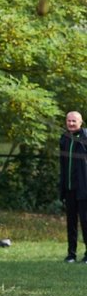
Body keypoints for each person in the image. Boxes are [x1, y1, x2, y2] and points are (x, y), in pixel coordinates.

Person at [59, 110, 87, 263]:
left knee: (85, 222)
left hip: (84, 189)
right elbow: (62, 165)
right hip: (69, 188)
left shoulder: (85, 137)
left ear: (80, 122)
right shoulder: (64, 138)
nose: (70, 123)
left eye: (74, 121)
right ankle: (71, 254)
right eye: (68, 121)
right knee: (71, 223)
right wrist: (62, 188)